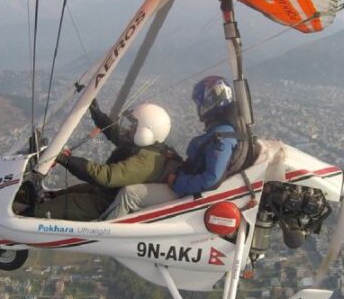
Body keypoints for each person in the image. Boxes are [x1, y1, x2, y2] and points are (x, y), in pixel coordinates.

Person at [103, 75, 244, 219]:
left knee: (129, 194)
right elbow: (201, 164)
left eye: (200, 103)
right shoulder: (222, 130)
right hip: (185, 182)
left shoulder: (223, 136)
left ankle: (101, 235)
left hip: (185, 191)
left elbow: (211, 178)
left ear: (211, 101)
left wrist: (177, 182)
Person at [30, 100, 181, 221]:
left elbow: (106, 176)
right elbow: (115, 133)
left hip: (106, 203)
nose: (129, 129)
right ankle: (34, 200)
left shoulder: (148, 161)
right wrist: (96, 112)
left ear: (146, 131)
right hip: (105, 192)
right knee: (66, 193)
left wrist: (65, 159)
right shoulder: (146, 147)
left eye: (134, 126)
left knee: (62, 205)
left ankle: (25, 213)